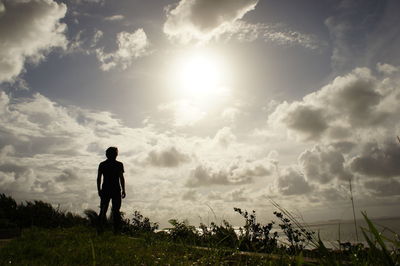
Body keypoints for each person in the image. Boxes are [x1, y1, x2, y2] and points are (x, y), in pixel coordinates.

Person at [97, 147, 126, 233]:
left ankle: (102, 230)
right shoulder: (118, 164)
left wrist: (99, 189)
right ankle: (115, 230)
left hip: (108, 189)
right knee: (113, 210)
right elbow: (121, 178)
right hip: (114, 189)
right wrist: (123, 190)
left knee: (105, 210)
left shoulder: (103, 164)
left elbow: (99, 178)